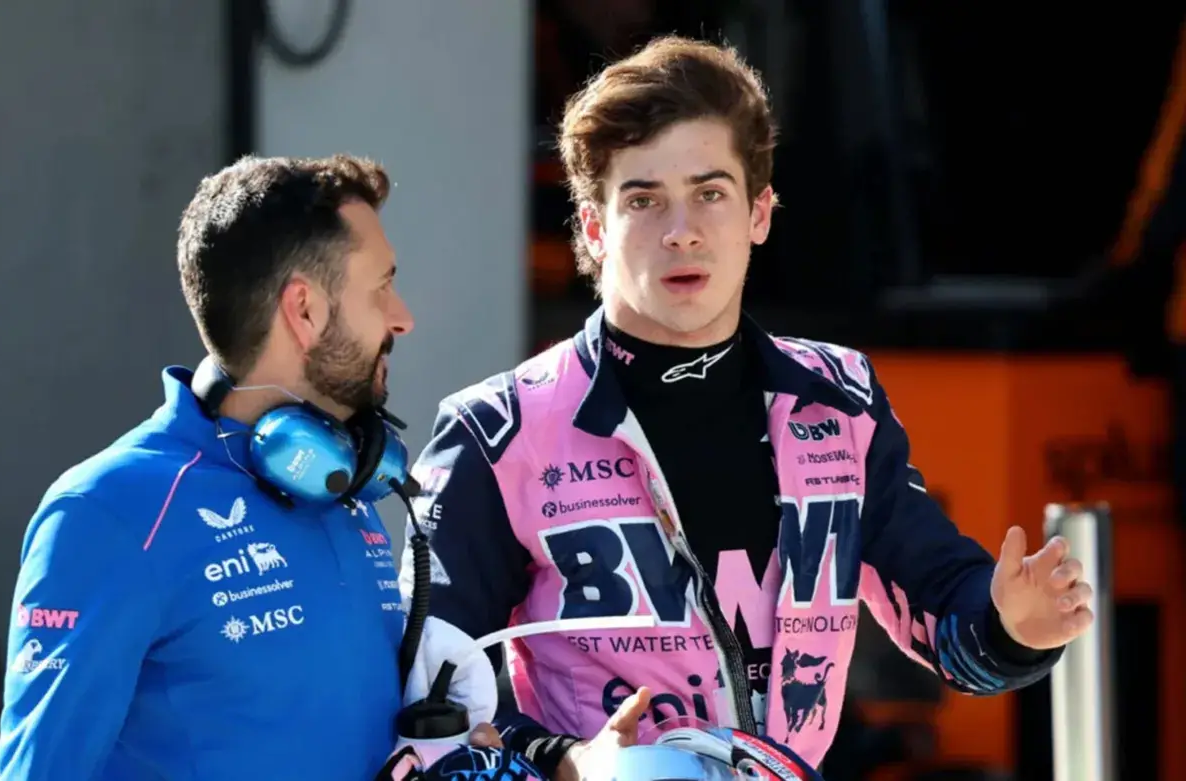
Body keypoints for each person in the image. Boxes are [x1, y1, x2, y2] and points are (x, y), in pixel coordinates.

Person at [398, 36, 1095, 773]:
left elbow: (941, 598)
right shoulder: (498, 430)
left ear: (759, 212)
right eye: (643, 200)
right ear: (595, 228)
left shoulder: (839, 398)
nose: (682, 232)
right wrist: (565, 761)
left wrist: (1011, 626)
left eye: (710, 193)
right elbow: (429, 694)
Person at [0, 154, 481, 780]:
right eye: (381, 286)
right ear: (304, 310)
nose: (402, 318)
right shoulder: (110, 511)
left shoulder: (342, 487)